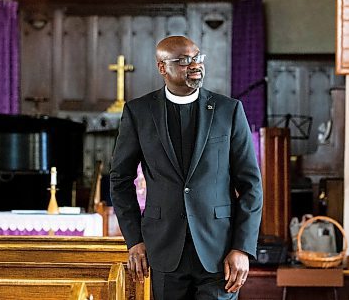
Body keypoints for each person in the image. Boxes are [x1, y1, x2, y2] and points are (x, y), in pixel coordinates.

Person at [110, 36, 263, 299]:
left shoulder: (229, 110)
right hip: (163, 249)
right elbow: (120, 180)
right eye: (183, 61)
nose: (194, 65)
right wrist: (134, 239)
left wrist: (242, 247)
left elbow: (251, 185)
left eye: (197, 58)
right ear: (162, 68)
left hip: (220, 252)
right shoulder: (139, 112)